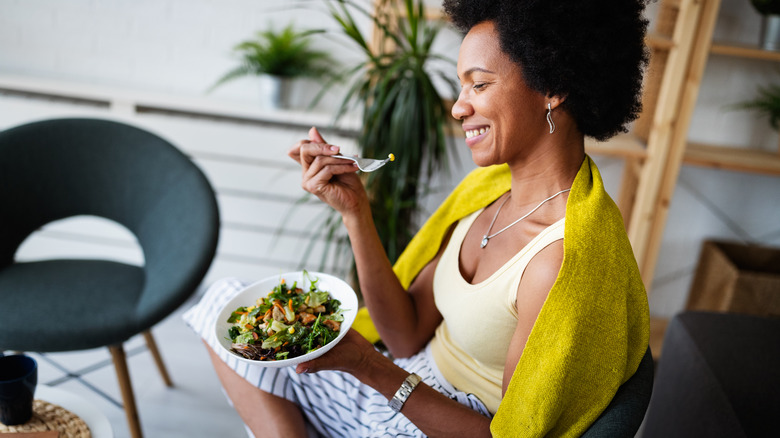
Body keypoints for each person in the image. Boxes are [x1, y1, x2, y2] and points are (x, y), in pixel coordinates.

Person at [183, 0, 651, 436]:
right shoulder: (486, 194)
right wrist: (355, 213)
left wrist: (370, 368)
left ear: (553, 89)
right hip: (398, 383)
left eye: (480, 84)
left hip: (433, 420)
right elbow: (404, 334)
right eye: (461, 85)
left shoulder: (560, 261)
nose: (458, 106)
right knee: (221, 302)